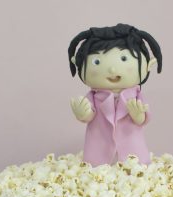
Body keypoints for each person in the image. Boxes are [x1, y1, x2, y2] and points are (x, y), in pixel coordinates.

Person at [68, 23, 163, 166]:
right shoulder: (93, 96)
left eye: (124, 59)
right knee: (97, 168)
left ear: (148, 65)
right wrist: (83, 114)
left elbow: (143, 119)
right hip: (99, 153)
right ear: (78, 65)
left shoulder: (135, 95)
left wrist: (138, 115)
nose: (112, 69)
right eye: (97, 61)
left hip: (132, 154)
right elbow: (90, 115)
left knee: (134, 167)